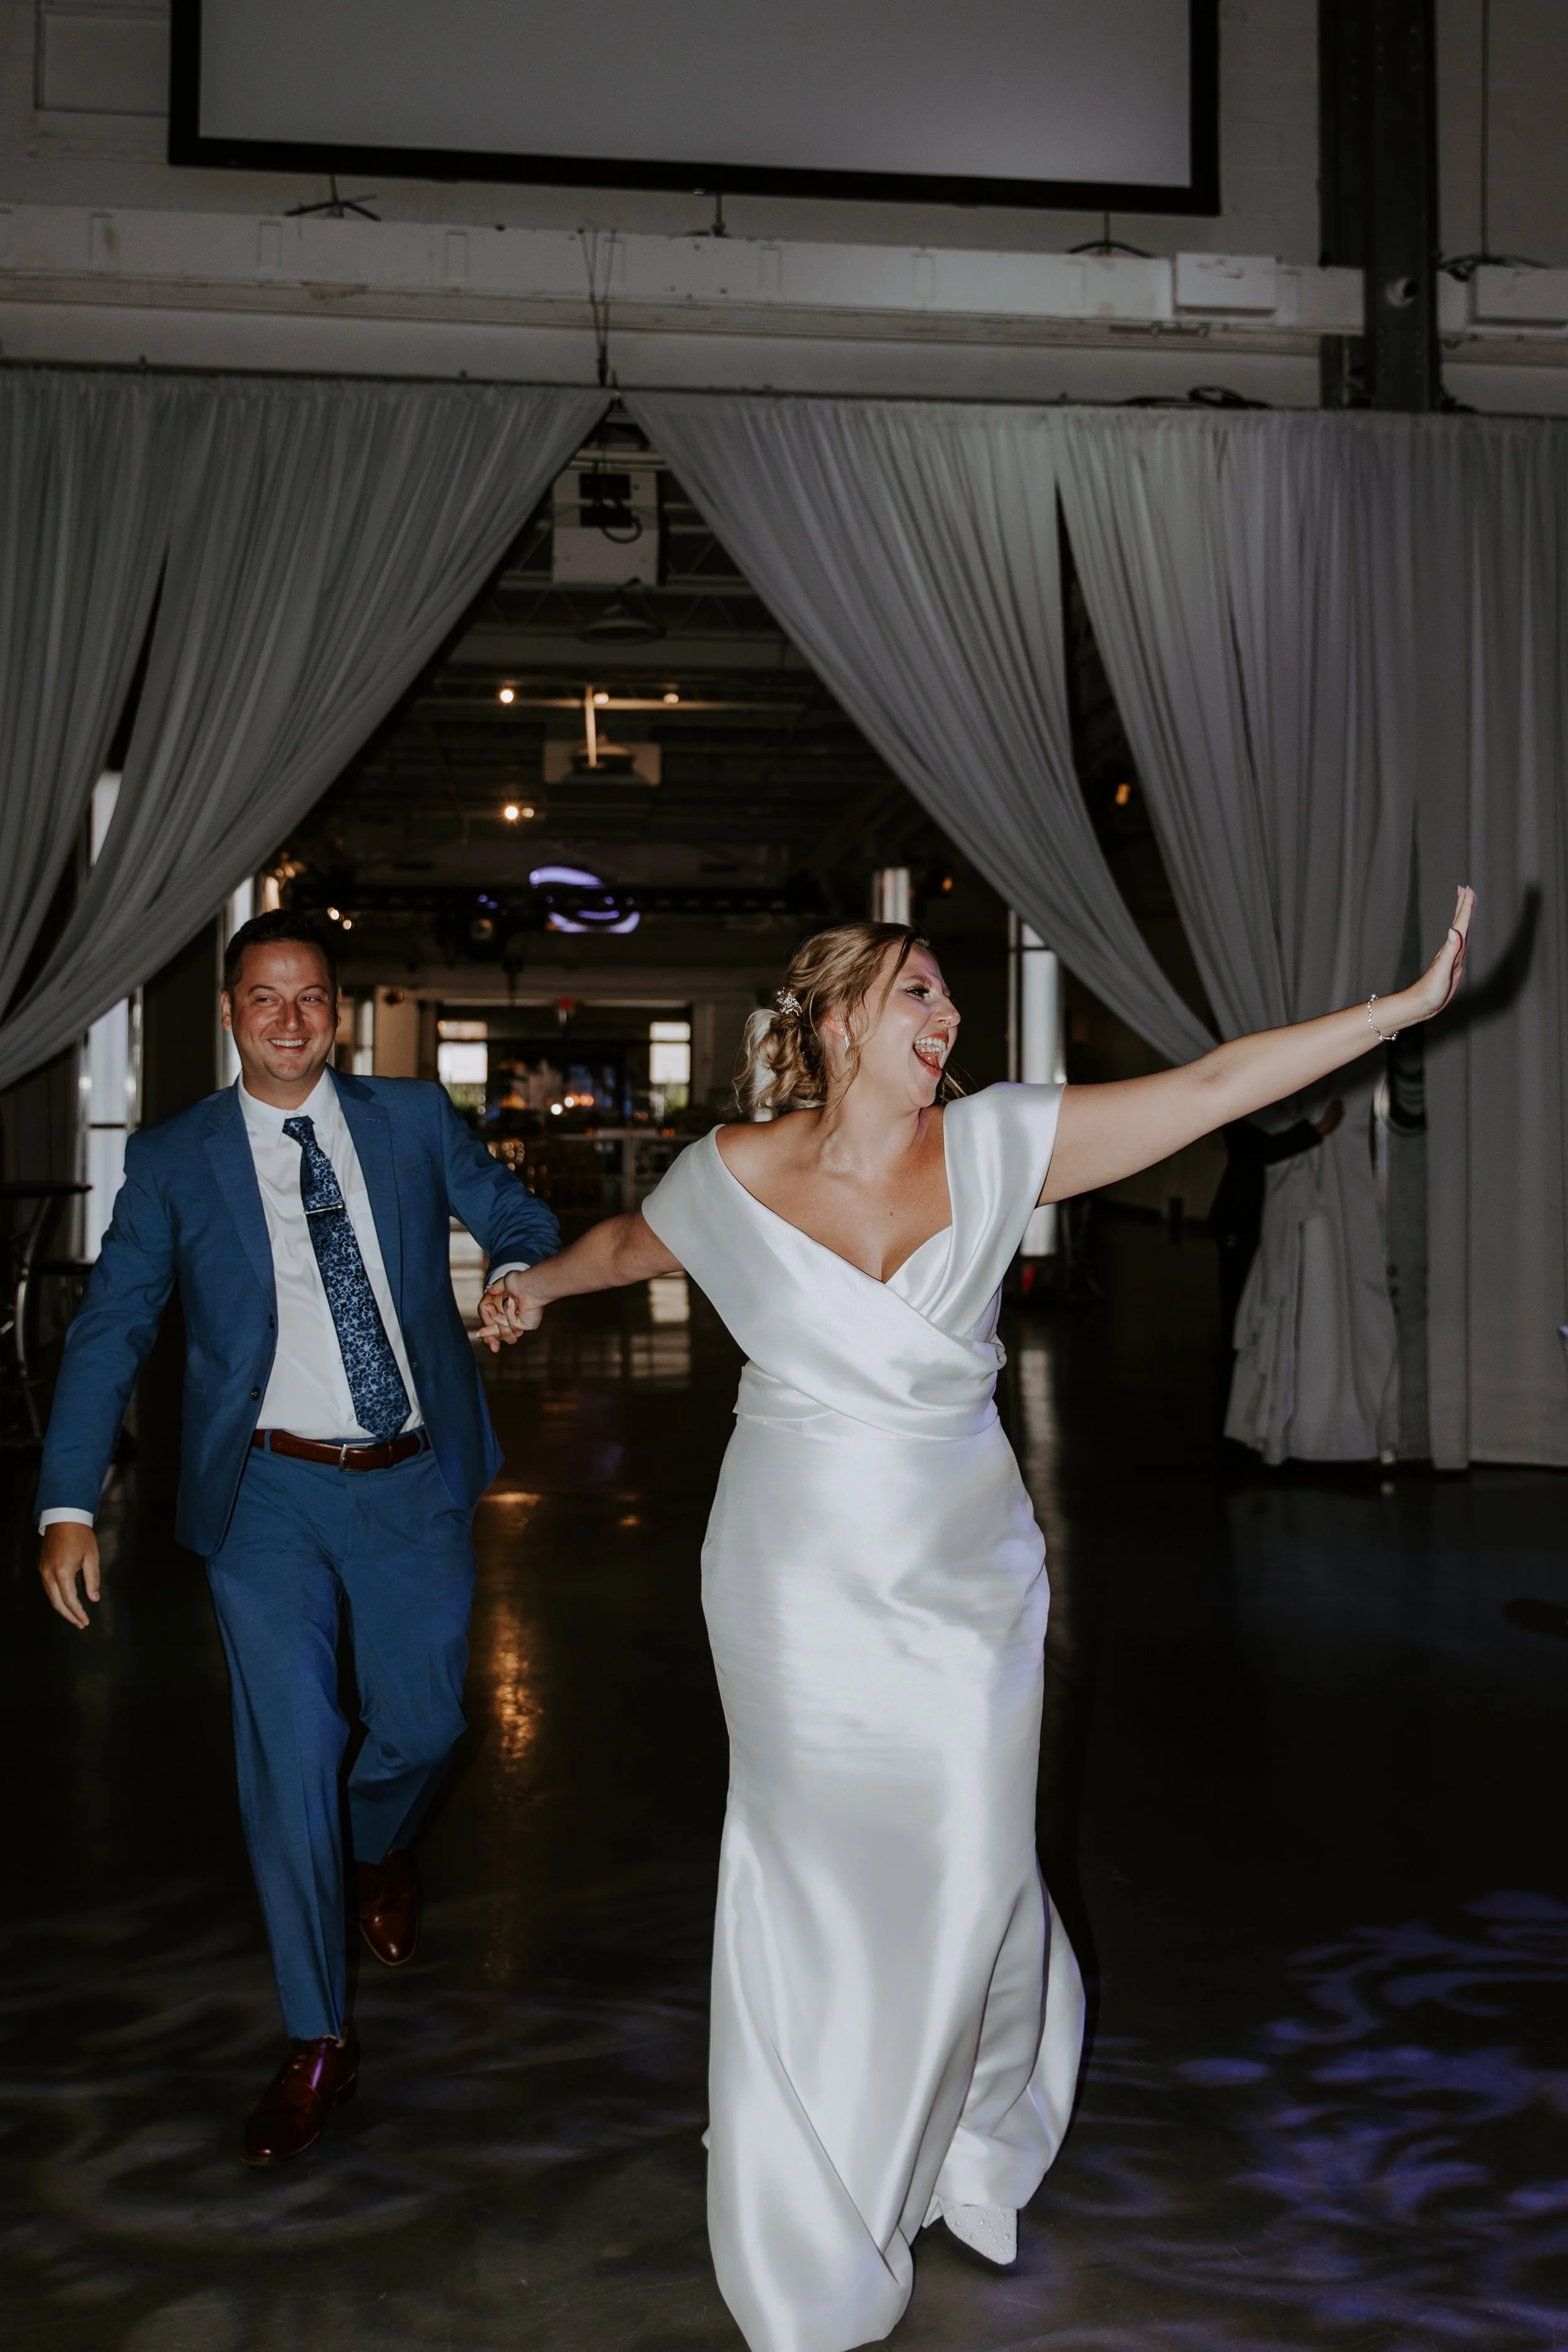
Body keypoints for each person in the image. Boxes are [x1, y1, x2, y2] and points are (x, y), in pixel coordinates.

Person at [480, 891, 1473, 2352]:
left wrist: (1392, 1013)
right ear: (830, 1019)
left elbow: (1205, 1090)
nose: (947, 1018)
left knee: (963, 1860)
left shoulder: (1006, 1140)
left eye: (948, 995)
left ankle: (958, 2118)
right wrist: (533, 1283)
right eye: (917, 992)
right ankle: (810, 2187)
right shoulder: (732, 1169)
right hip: (790, 1572)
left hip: (961, 1572)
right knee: (808, 1872)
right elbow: (633, 1241)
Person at [34, 911, 558, 2165]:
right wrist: (65, 1502)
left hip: (410, 1478)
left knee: (425, 1725)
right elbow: (113, 1328)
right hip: (263, 1494)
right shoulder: (173, 1159)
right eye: (262, 999)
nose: (288, 1020)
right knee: (287, 1759)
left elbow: (519, 1217)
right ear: (230, 1013)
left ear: (338, 1008)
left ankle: (382, 1844)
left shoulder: (412, 1117)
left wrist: (519, 1277)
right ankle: (318, 2040)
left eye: (309, 998)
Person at [1212, 1096, 1344, 1362]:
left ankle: (1247, 1351)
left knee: (1249, 1286)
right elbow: (1257, 1151)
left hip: (1249, 1211)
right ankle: (1237, 1356)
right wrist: (1318, 1129)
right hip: (1242, 1213)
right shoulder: (1243, 1102)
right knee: (1237, 1290)